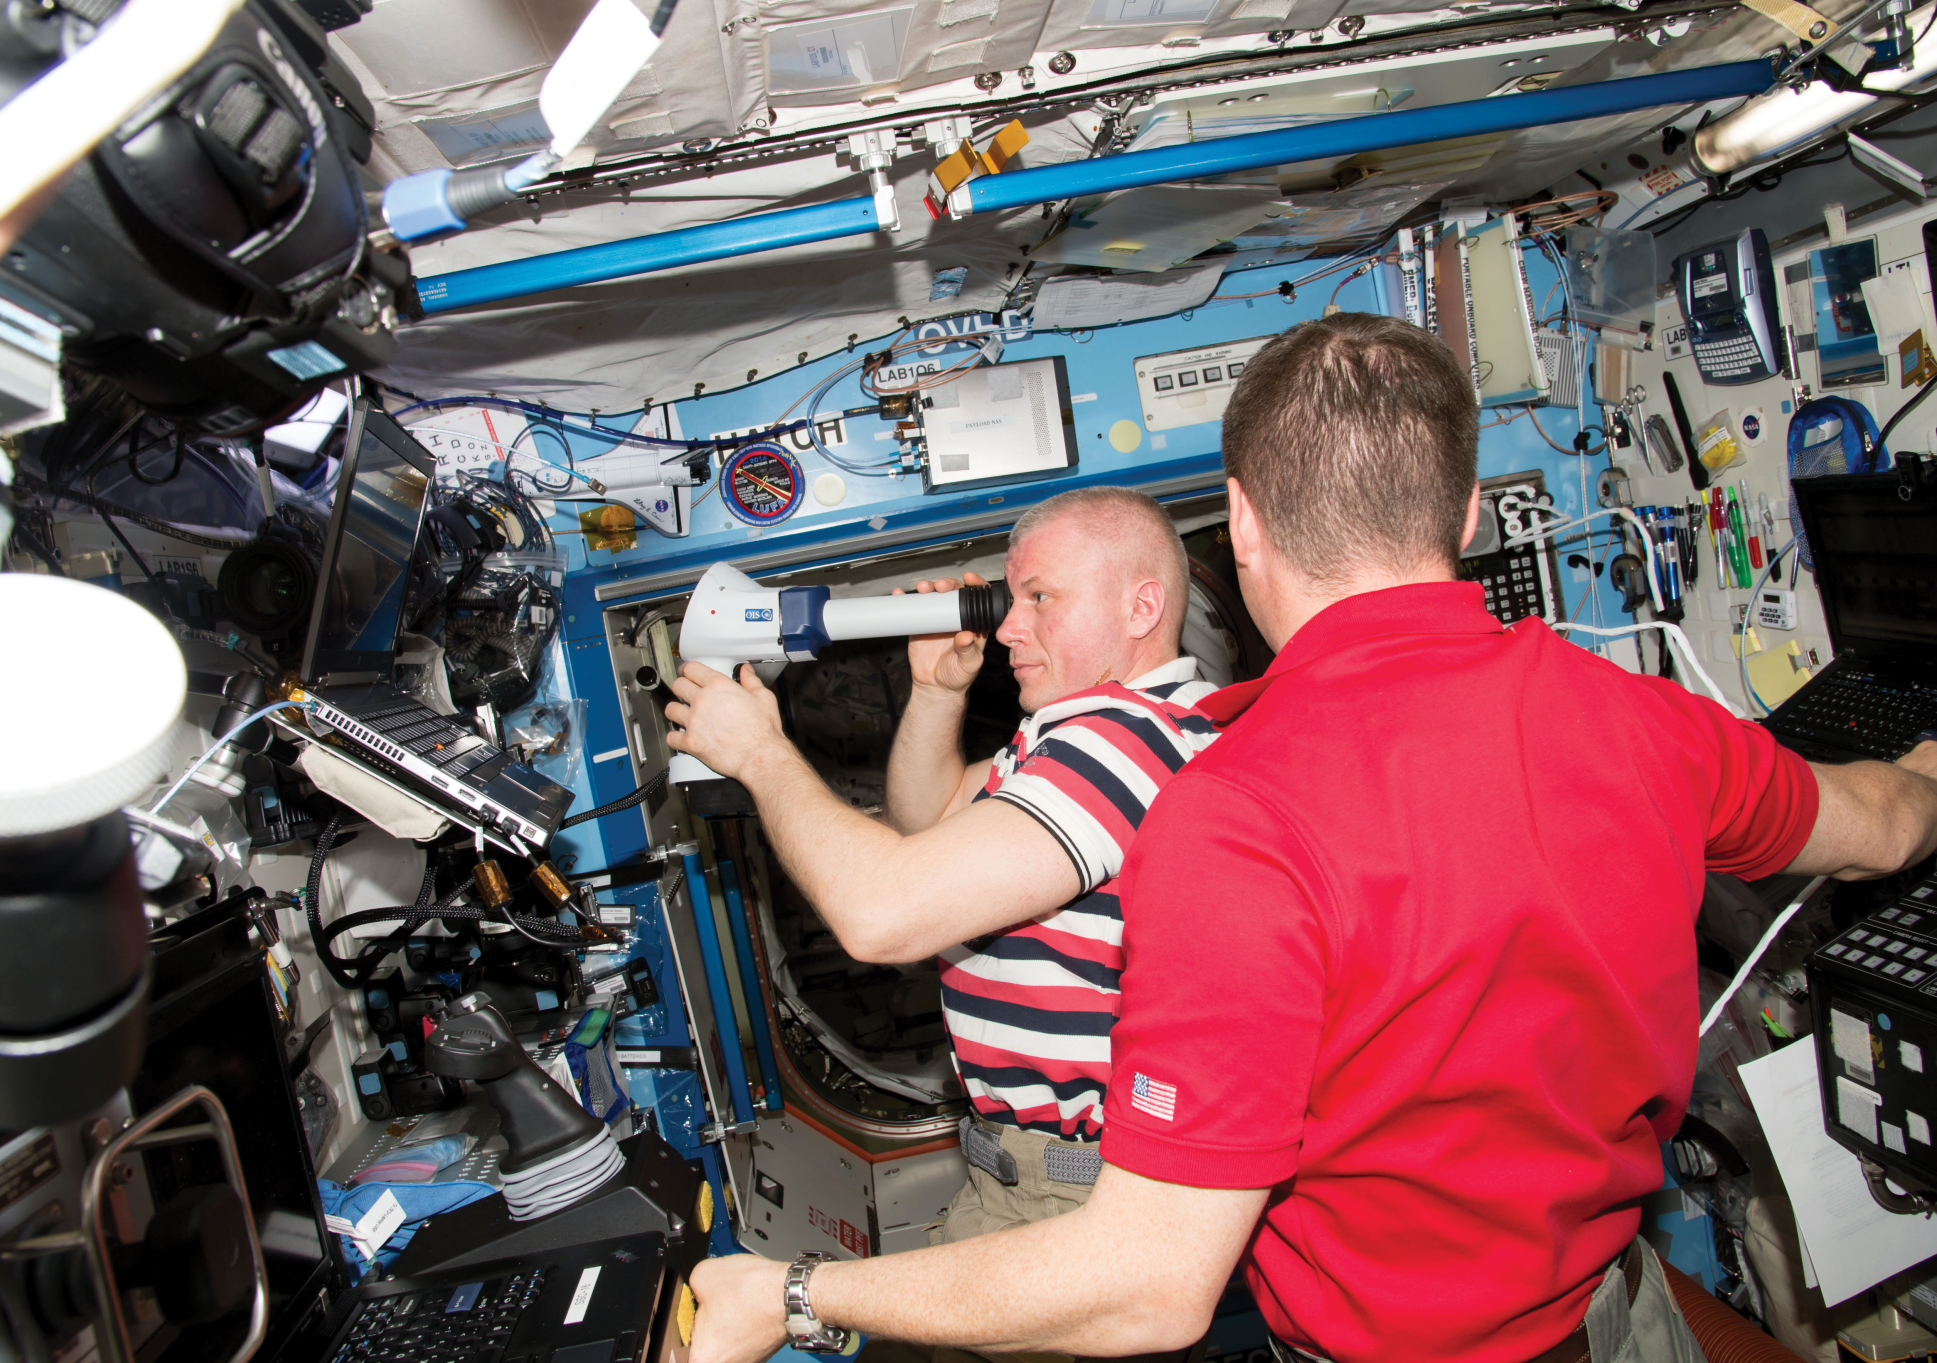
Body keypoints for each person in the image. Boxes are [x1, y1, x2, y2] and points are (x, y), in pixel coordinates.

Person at [681, 314, 1937, 1363]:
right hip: (1625, 1318)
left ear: (1240, 527)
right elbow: (1881, 825)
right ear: (1457, 508)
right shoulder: (1651, 720)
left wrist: (794, 1294)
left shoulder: (1231, 822)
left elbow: (1151, 1284)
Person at [663, 486, 1219, 1252]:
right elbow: (927, 821)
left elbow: (882, 912)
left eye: (1040, 598)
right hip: (1027, 1179)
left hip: (1070, 1198)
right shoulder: (1103, 734)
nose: (1008, 625)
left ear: (1141, 607)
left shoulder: (1118, 744)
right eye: (1009, 596)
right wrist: (934, 691)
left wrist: (759, 754)